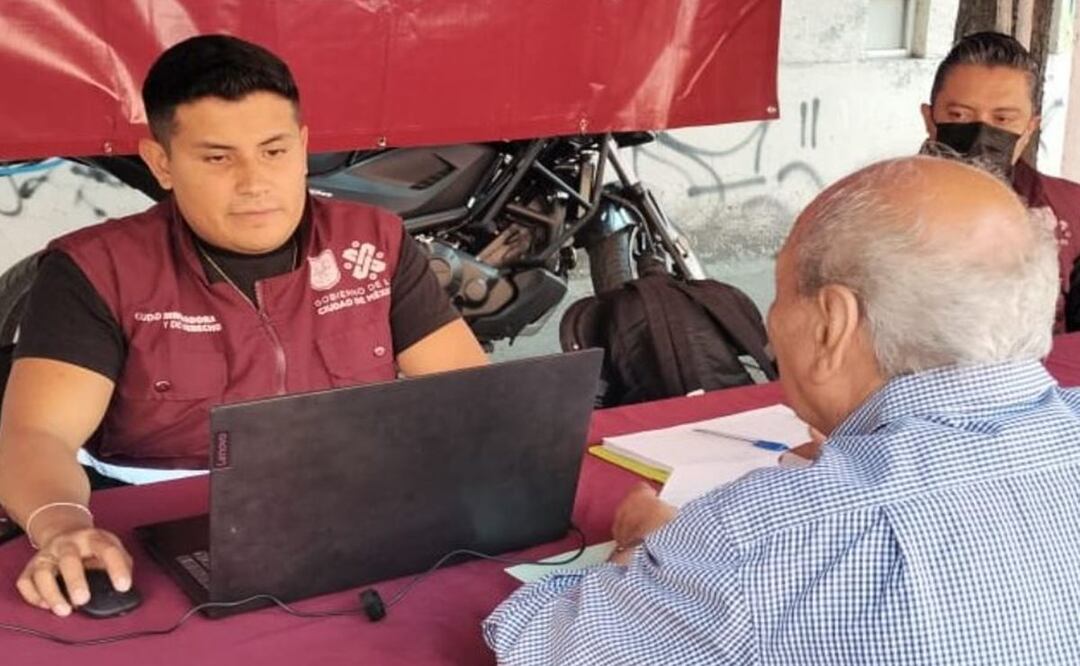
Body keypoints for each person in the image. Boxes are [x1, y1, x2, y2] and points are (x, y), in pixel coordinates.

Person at [484, 156, 1080, 664]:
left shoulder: (761, 541)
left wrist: (647, 553)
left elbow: (536, 640)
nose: (769, 325)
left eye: (779, 292)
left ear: (831, 326)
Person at [0, 35, 487, 617]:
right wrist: (61, 526)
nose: (255, 181)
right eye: (217, 157)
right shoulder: (98, 268)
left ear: (304, 147)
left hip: (350, 509)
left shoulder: (374, 243)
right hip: (163, 520)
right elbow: (35, 435)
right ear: (162, 163)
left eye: (275, 151)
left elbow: (472, 397)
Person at [920, 31, 1080, 331]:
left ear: (1031, 127)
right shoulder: (880, 212)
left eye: (1003, 120)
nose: (981, 134)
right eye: (959, 115)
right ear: (930, 119)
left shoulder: (1073, 211)